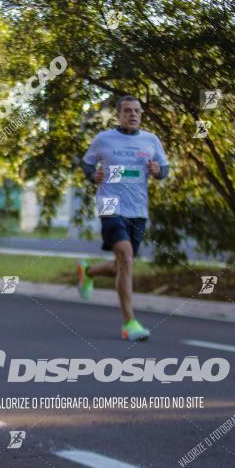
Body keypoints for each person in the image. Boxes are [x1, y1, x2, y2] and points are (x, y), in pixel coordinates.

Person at [78, 95, 169, 341]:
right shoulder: (104, 139)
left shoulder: (151, 140)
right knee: (127, 257)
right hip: (110, 205)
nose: (133, 115)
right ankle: (129, 323)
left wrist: (158, 171)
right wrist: (92, 175)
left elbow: (164, 169)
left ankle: (88, 272)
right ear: (118, 115)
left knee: (122, 265)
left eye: (137, 111)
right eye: (128, 111)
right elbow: (86, 163)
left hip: (138, 210)